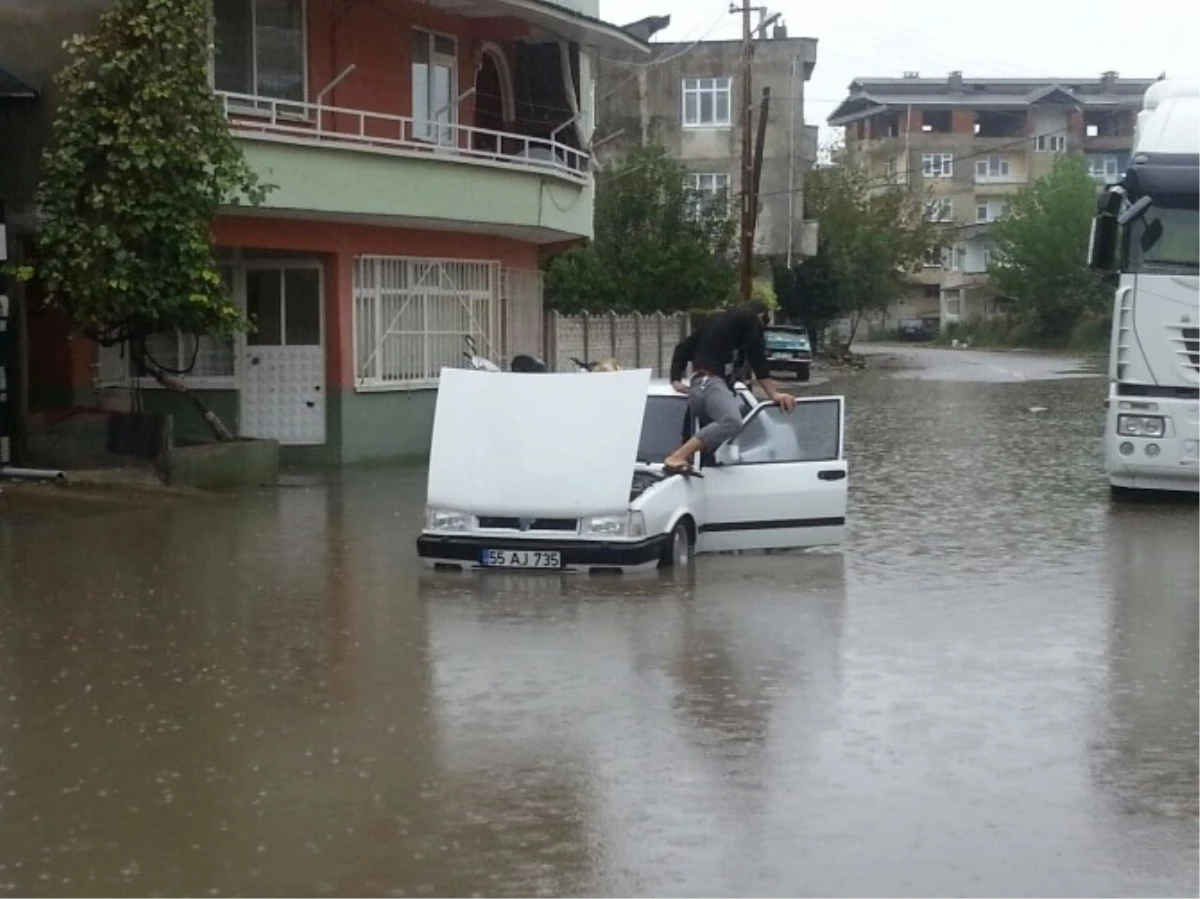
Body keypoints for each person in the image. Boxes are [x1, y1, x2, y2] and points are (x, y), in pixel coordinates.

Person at [662, 300, 796, 474]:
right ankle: (677, 457)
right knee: (731, 421)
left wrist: (676, 380)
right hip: (709, 381)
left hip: (702, 386)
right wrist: (773, 394)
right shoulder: (750, 318)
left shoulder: (717, 323)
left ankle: (689, 460)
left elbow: (682, 348)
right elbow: (757, 356)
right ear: (762, 317)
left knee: (713, 427)